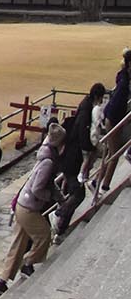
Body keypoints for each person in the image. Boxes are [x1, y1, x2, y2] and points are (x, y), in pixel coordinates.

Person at [0, 122, 65, 295]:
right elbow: (38, 188)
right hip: (29, 206)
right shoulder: (49, 162)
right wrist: (49, 197)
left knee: (18, 243)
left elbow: (47, 184)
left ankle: (2, 280)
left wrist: (59, 197)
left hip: (22, 203)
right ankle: (27, 263)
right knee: (44, 235)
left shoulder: (44, 156)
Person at [55, 84, 104, 236]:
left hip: (71, 158)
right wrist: (91, 148)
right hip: (72, 158)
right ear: (97, 96)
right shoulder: (85, 111)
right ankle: (59, 214)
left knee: (73, 193)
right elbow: (83, 135)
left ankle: (60, 228)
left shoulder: (85, 107)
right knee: (77, 193)